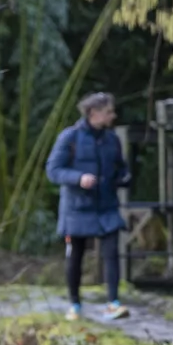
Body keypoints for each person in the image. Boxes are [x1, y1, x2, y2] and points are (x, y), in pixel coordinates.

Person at [46, 92, 133, 322]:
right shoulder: (70, 137)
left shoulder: (112, 139)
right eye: (108, 112)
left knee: (112, 252)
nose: (113, 116)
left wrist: (124, 177)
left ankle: (113, 302)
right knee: (75, 255)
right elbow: (53, 170)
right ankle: (74, 304)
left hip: (106, 205)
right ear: (93, 113)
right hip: (77, 208)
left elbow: (121, 167)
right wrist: (78, 178)